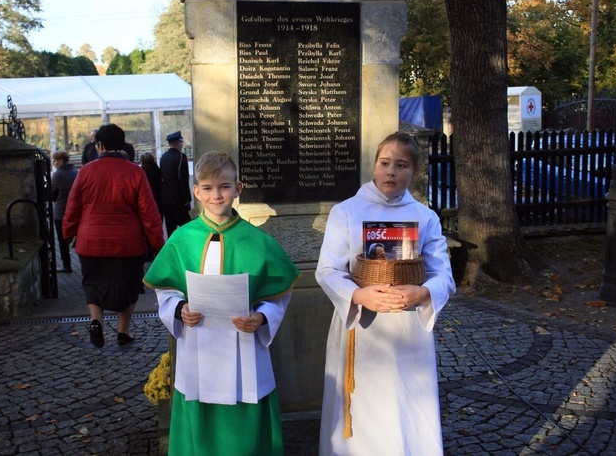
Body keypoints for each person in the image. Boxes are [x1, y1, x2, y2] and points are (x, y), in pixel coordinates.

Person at [144, 151, 300, 455]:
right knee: (200, 419)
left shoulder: (258, 242)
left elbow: (279, 294)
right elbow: (165, 290)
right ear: (197, 191)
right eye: (209, 187)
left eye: (225, 186)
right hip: (199, 343)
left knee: (245, 427)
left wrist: (263, 317)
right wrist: (179, 309)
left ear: (238, 188)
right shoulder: (181, 239)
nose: (217, 195)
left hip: (245, 345)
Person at [316, 132, 456, 455]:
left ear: (415, 173)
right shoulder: (346, 213)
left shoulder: (426, 218)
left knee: (405, 408)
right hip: (361, 328)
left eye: (401, 165)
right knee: (363, 412)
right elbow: (327, 270)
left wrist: (421, 293)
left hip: (407, 333)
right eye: (385, 163)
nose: (391, 172)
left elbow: (444, 277)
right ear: (375, 168)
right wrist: (359, 296)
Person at [63, 123, 165, 348]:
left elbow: (73, 207)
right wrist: (158, 243)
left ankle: (96, 320)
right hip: (128, 244)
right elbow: (149, 212)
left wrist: (68, 233)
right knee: (128, 285)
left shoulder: (85, 172)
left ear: (99, 145)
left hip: (90, 241)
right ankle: (123, 331)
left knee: (92, 282)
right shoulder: (136, 172)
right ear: (123, 144)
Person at [159, 130, 192, 237]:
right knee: (187, 228)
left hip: (166, 200)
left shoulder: (163, 157)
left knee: (170, 230)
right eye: (181, 143)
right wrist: (187, 198)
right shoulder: (181, 157)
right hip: (179, 200)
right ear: (178, 143)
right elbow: (183, 178)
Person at [50, 150, 78, 273]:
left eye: (55, 160)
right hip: (76, 210)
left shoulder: (57, 175)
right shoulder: (75, 172)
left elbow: (51, 194)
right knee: (76, 237)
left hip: (61, 211)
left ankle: (66, 265)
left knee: (62, 240)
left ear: (61, 161)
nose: (54, 163)